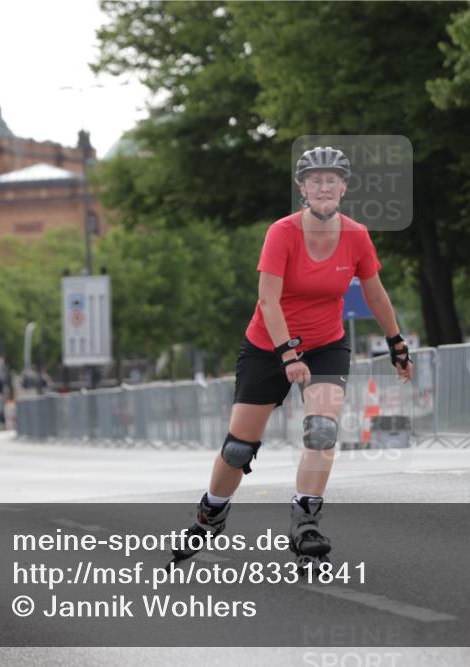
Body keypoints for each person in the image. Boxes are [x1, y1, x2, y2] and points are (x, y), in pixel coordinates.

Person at [171, 146, 413, 571]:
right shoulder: (282, 233)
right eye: (315, 180)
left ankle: (306, 523)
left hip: (326, 344)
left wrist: (397, 343)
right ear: (302, 188)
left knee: (321, 431)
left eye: (331, 179)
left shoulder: (356, 235)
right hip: (268, 345)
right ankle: (211, 512)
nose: (324, 186)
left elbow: (375, 293)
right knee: (238, 449)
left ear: (343, 187)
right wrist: (287, 353)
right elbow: (267, 299)